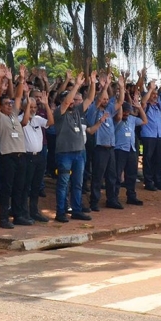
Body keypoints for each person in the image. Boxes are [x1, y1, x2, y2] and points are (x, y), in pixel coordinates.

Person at [0, 66, 34, 227]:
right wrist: (0, 79)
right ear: (1, 107)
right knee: (6, 188)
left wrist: (21, 79)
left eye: (10, 104)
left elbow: (18, 96)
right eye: (6, 104)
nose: (10, 105)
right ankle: (3, 218)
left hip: (21, 155)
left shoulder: (14, 116)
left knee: (19, 187)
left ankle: (18, 215)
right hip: (7, 156)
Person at [54, 73, 93, 222]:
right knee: (63, 183)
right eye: (69, 100)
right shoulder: (59, 112)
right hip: (64, 153)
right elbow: (65, 103)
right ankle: (61, 212)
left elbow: (89, 99)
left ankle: (76, 210)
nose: (72, 102)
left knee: (78, 183)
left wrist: (93, 83)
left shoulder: (77, 111)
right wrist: (76, 85)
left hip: (79, 152)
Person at [85, 74, 120, 209]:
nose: (106, 100)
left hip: (110, 147)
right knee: (98, 176)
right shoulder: (93, 110)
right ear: (99, 100)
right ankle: (94, 202)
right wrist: (101, 88)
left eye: (107, 99)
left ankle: (112, 200)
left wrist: (120, 88)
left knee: (112, 176)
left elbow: (120, 102)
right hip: (99, 147)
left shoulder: (109, 110)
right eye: (104, 99)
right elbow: (95, 101)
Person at [22, 87, 53, 221]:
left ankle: (34, 211)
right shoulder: (20, 119)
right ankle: (24, 211)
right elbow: (24, 122)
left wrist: (46, 105)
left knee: (36, 185)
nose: (33, 109)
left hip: (39, 156)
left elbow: (51, 123)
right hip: (27, 157)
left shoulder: (38, 119)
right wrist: (27, 103)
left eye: (35, 107)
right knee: (25, 186)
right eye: (31, 107)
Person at [139, 79, 161, 191]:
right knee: (148, 159)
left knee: (160, 159)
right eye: (153, 94)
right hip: (148, 135)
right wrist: (150, 89)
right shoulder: (146, 106)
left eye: (156, 94)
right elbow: (143, 102)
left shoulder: (159, 106)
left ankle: (158, 181)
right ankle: (149, 182)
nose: (155, 96)